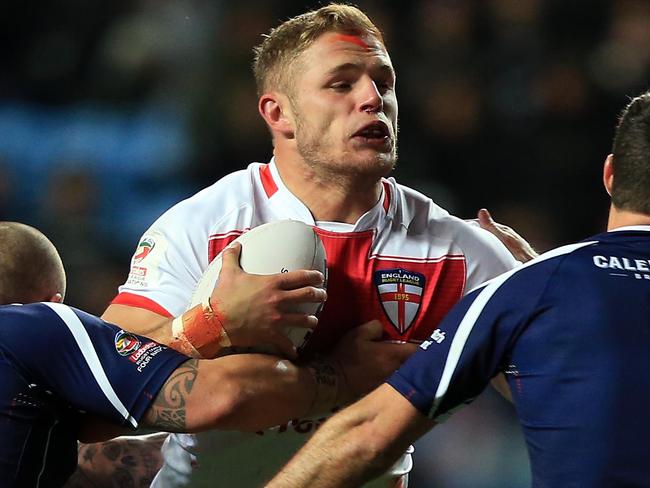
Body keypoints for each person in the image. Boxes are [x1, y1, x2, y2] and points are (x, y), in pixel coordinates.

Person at [95, 4, 526, 486]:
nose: (372, 98)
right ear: (279, 114)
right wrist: (212, 322)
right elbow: (106, 384)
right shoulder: (209, 224)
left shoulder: (455, 251)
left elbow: (559, 385)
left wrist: (550, 285)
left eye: (383, 82)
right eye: (342, 83)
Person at [266, 91, 650, 487]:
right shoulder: (536, 285)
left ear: (610, 175)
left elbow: (369, 435)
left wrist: (535, 283)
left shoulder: (530, 289)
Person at [0, 222, 401, 487]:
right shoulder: (34, 326)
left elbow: (68, 440)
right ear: (53, 303)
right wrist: (341, 377)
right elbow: (221, 396)